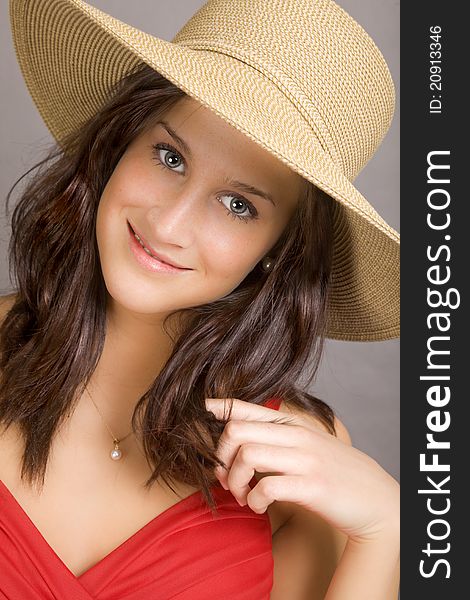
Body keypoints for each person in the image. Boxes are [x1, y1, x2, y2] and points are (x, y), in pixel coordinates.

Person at [1, 0, 400, 598]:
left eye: (240, 204)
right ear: (119, 146)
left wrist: (386, 528)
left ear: (280, 246)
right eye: (170, 157)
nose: (170, 224)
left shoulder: (294, 458)